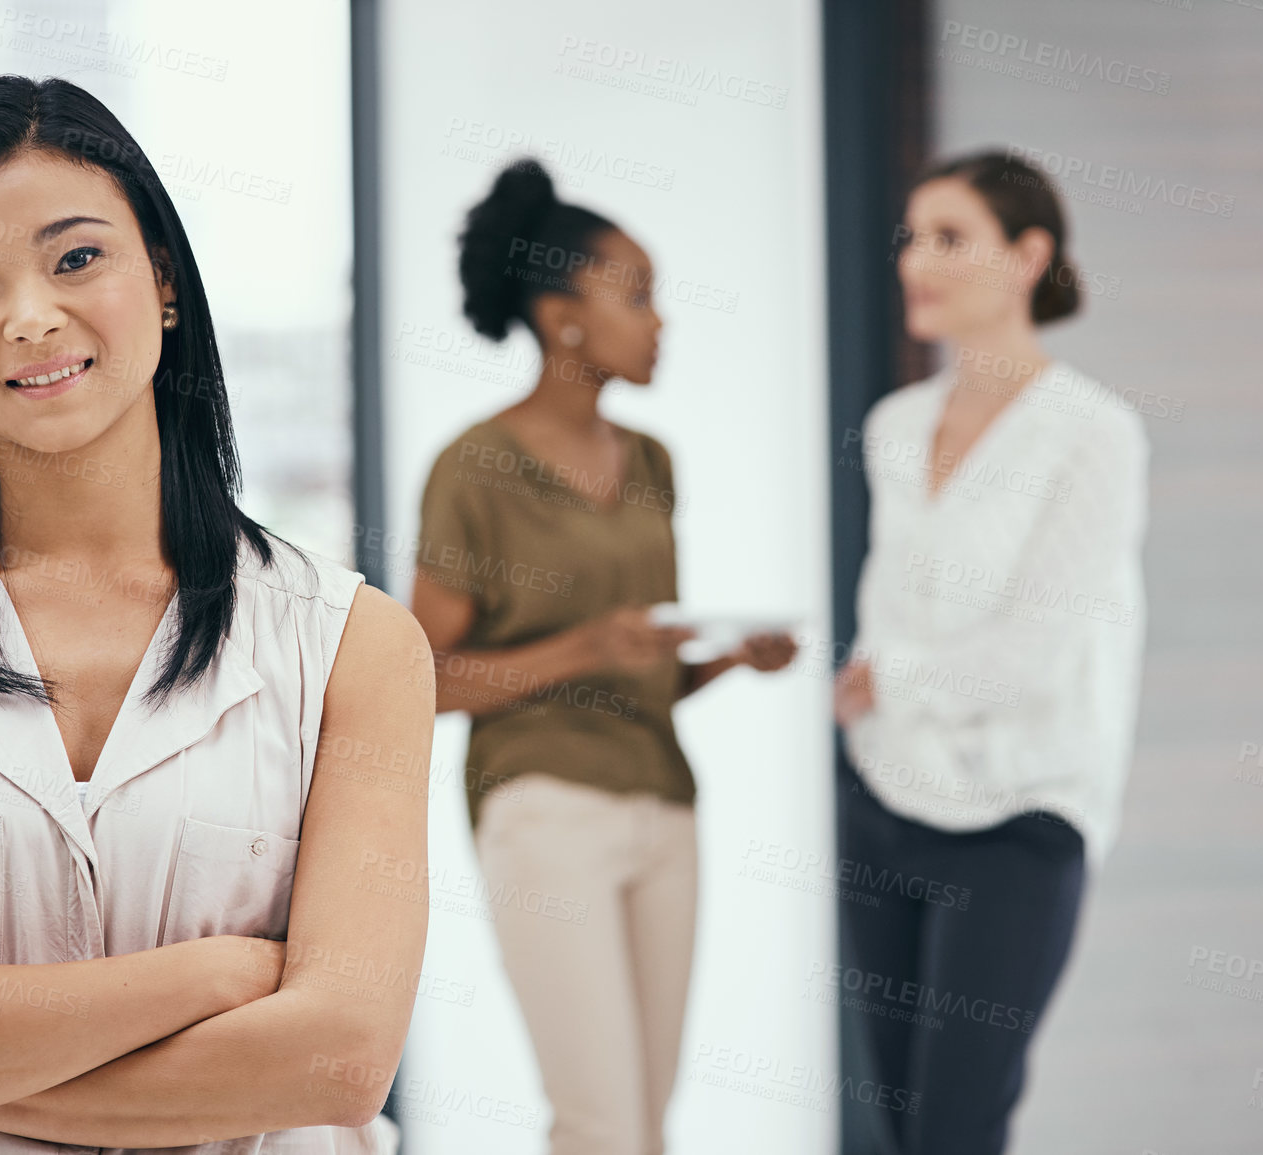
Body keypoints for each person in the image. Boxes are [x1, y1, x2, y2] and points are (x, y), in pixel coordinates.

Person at [0, 74, 434, 1153]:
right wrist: (217, 975)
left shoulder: (353, 644)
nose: (31, 318)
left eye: (77, 258)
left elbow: (339, 1060)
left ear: (160, 275)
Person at [408, 157, 797, 1155]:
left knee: (648, 1125)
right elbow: (423, 682)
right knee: (601, 1125)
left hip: (664, 802)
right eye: (637, 295)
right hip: (544, 810)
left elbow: (646, 665)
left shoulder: (655, 464)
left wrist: (725, 660)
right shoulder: (473, 468)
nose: (660, 320)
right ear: (561, 315)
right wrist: (587, 642)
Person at [832, 150, 1149, 1153]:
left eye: (950, 237)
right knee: (896, 1126)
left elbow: (1038, 652)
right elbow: (889, 608)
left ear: (1028, 256)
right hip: (884, 800)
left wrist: (895, 680)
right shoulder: (896, 426)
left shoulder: (1093, 434)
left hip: (1021, 816)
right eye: (911, 237)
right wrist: (879, 689)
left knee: (958, 1130)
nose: (917, 260)